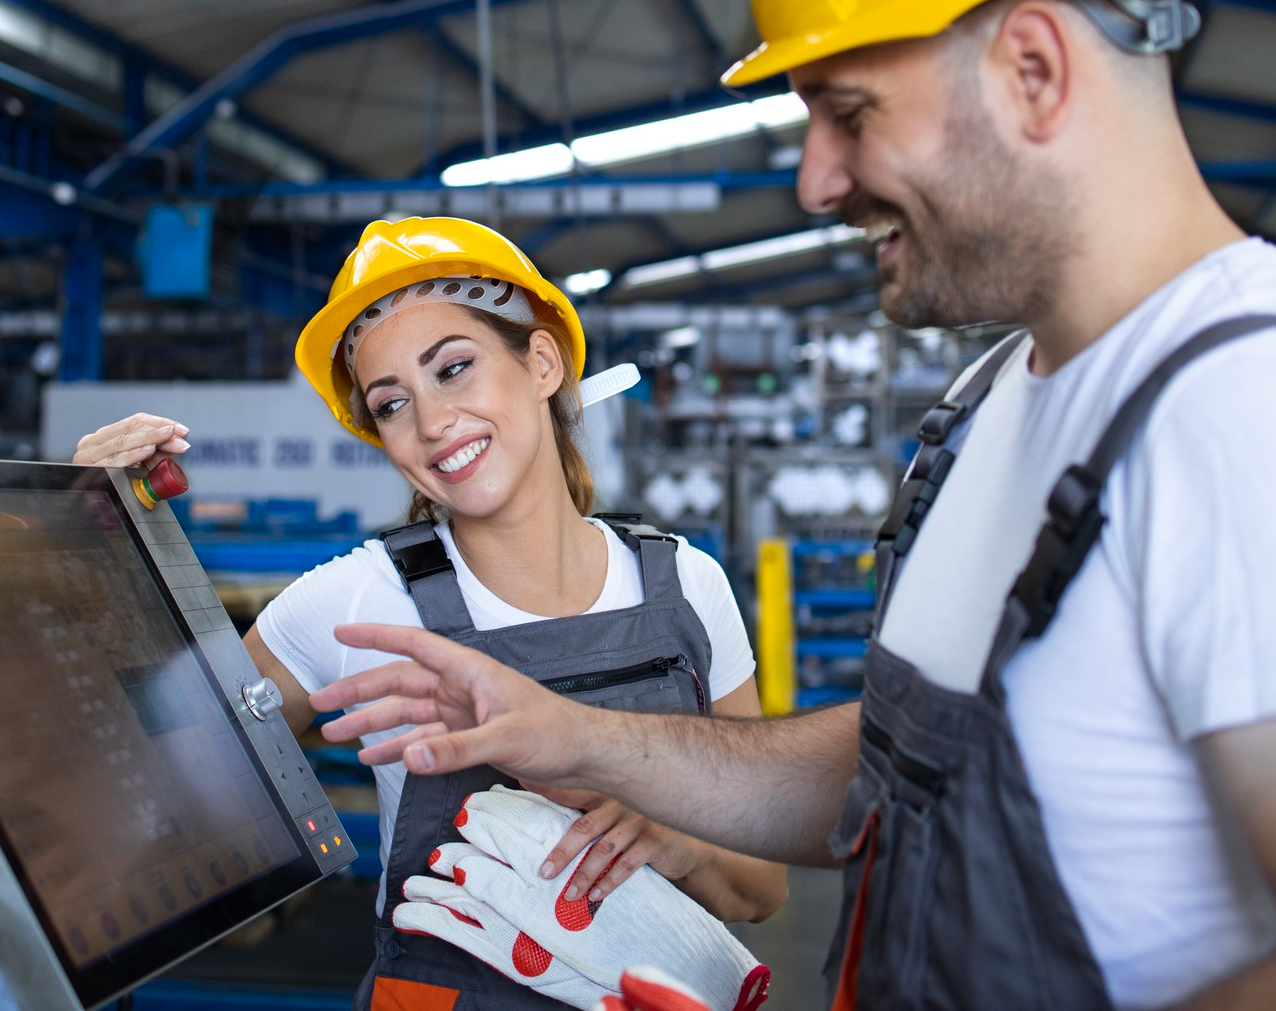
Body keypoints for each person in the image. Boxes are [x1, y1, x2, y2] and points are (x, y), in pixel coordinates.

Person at [302, 0, 1276, 1010]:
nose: (814, 180)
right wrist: (573, 734)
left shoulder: (1273, 424)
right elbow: (896, 765)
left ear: (1031, 69)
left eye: (848, 112)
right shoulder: (994, 402)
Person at [75, 217, 785, 1010]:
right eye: (391, 403)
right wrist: (93, 541)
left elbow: (760, 886)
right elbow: (157, 780)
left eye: (454, 368)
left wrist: (679, 838)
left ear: (542, 360)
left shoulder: (689, 585)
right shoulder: (355, 601)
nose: (432, 421)